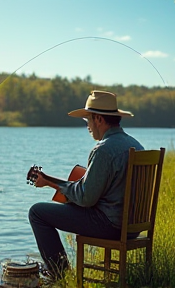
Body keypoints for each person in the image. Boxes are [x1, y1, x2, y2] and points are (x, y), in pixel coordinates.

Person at [28, 90, 144, 280]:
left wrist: (50, 182)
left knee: (37, 212)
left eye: (87, 120)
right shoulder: (136, 145)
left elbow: (86, 198)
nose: (88, 126)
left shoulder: (103, 150)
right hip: (133, 227)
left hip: (111, 226)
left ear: (98, 119)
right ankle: (61, 276)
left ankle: (62, 277)